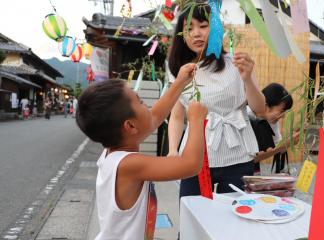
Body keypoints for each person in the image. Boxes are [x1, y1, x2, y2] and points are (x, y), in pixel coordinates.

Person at [75, 66, 208, 240]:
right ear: (130, 126)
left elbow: (154, 118)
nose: (147, 106)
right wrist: (196, 120)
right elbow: (191, 165)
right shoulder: (130, 165)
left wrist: (180, 82)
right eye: (140, 101)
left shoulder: (111, 153)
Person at [167, 2, 266, 197]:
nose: (196, 33)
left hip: (237, 154)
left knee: (234, 218)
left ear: (215, 29)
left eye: (203, 26)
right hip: (194, 156)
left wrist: (247, 79)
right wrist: (172, 151)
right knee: (192, 215)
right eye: (189, 28)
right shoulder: (179, 71)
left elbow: (259, 108)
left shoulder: (236, 64)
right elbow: (177, 116)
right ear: (182, 35)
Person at [248, 83, 300, 174]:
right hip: (237, 170)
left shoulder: (272, 122)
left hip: (253, 169)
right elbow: (250, 159)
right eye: (282, 111)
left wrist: (291, 139)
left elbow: (278, 147)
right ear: (266, 105)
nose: (283, 116)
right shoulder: (246, 117)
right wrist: (284, 145)